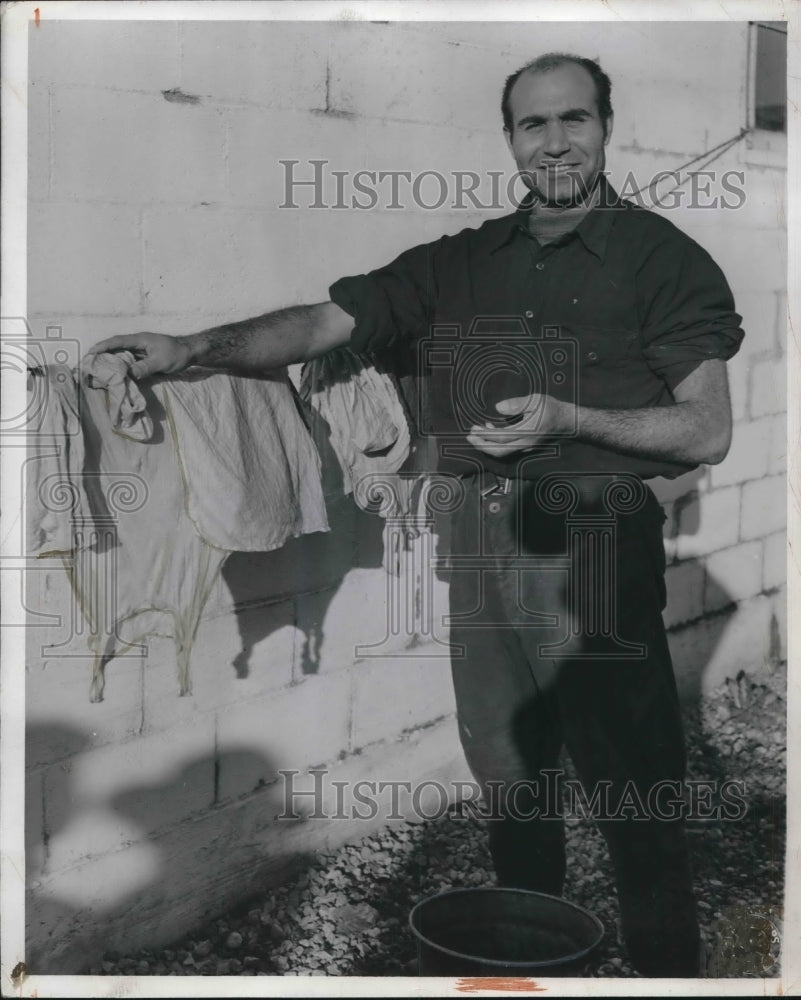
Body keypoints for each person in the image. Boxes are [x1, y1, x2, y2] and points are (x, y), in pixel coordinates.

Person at [91, 53, 744, 977]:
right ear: (509, 139)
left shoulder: (663, 261)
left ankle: (665, 974)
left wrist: (570, 420)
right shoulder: (460, 261)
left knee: (630, 783)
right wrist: (191, 347)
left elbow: (706, 429)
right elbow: (327, 324)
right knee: (508, 774)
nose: (554, 141)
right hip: (476, 532)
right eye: (532, 124)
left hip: (592, 541)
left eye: (573, 119)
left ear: (606, 124)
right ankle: (533, 956)